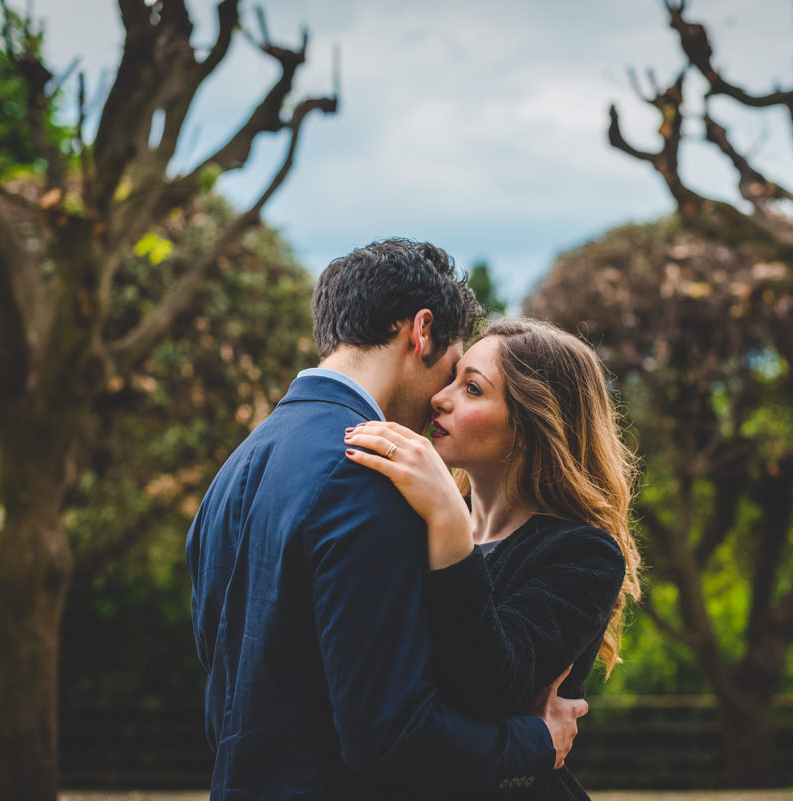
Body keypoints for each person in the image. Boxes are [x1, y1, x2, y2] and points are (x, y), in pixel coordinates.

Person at [186, 240, 589, 800]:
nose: (441, 400)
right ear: (420, 333)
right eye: (453, 371)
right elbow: (389, 733)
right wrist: (535, 744)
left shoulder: (237, 468)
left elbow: (228, 697)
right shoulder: (369, 471)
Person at [343, 317, 643, 800]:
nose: (441, 397)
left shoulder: (585, 553)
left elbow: (488, 685)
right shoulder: (408, 526)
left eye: (473, 390)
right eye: (453, 379)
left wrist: (447, 518)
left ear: (530, 425)